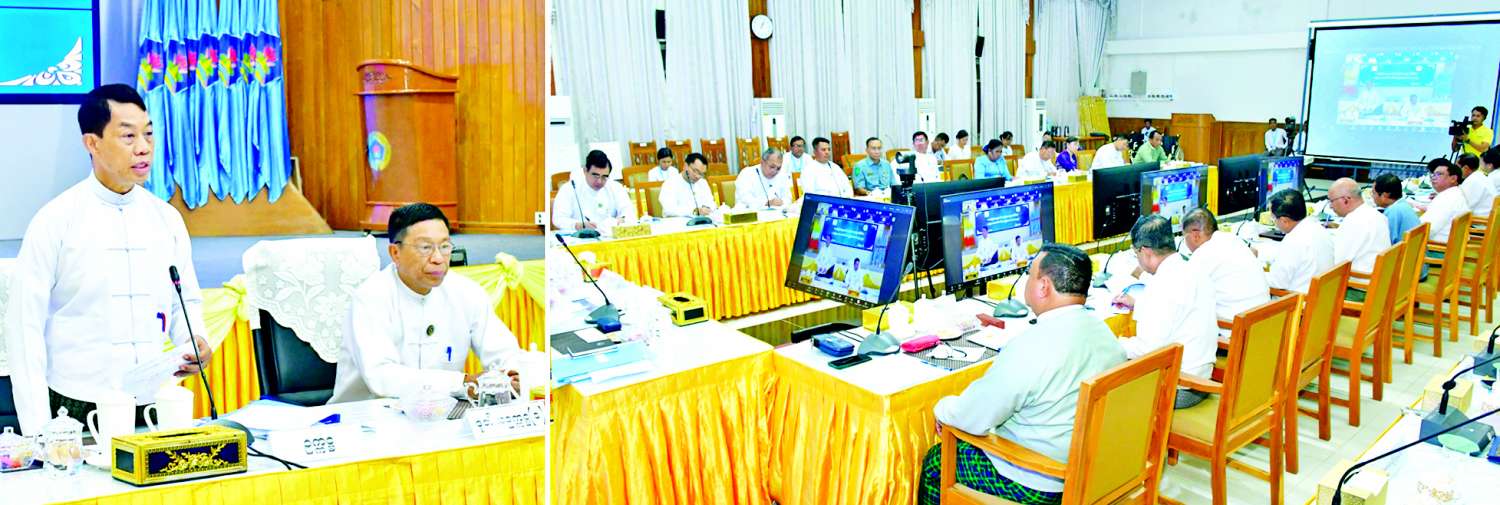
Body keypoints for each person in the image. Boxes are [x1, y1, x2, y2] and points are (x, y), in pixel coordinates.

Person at [6, 84, 213, 434]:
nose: (143, 147)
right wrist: (40, 432)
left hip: (152, 403)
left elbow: (185, 300)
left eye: (148, 133)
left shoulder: (166, 219)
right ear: (93, 143)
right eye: (128, 136)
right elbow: (24, 330)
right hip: (75, 404)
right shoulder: (55, 221)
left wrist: (194, 341)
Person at [920, 243, 1126, 505]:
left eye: (1029, 274)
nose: (1027, 280)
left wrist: (942, 409)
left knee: (936, 463)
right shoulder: (1104, 333)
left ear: (1043, 286)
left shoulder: (1032, 346)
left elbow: (973, 417)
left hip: (1042, 480)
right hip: (1094, 470)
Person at [331, 204, 524, 404]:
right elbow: (382, 377)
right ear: (395, 253)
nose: (438, 258)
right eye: (425, 248)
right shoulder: (371, 297)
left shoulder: (466, 292)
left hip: (442, 412)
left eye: (445, 246)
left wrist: (512, 374)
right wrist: (462, 383)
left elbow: (504, 351)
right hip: (368, 413)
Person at [1113, 215, 1216, 409]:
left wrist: (1113, 343)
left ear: (1145, 251)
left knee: (1105, 389)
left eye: (1136, 253)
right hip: (1202, 377)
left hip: (1180, 388)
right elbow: (1177, 311)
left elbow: (1147, 351)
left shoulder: (1161, 286)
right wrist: (1141, 303)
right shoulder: (1192, 269)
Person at [1181, 208, 1270, 322]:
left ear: (1195, 235)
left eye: (1184, 236)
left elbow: (1185, 298)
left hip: (1233, 327)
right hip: (1264, 321)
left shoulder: (1201, 255)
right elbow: (1254, 252)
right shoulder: (1233, 238)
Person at [1326, 178, 1389, 301]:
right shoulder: (1378, 215)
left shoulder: (1352, 222)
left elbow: (1337, 266)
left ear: (1346, 200)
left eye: (1331, 201)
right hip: (1379, 286)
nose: (1330, 206)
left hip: (1359, 291)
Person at [1265, 189, 1335, 293]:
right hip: (1322, 297)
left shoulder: (1293, 241)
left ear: (1284, 221)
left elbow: (1277, 282)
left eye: (1273, 218)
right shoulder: (1319, 228)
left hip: (1298, 300)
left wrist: (1254, 271)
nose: (1273, 221)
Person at [552, 150, 636, 230]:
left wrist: (620, 221)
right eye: (595, 176)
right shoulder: (569, 189)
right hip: (580, 236)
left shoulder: (615, 187)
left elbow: (629, 213)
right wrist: (578, 225)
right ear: (585, 171)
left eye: (604, 177)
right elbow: (558, 219)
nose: (599, 181)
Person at [1420, 158, 1469, 244]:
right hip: (1451, 244)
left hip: (1438, 247)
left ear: (1453, 178)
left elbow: (1426, 230)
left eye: (1439, 174)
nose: (1433, 178)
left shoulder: (1447, 198)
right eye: (1433, 174)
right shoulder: (1453, 193)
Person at [660, 152, 716, 217]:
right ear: (685, 166)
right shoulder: (670, 183)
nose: (697, 176)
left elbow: (711, 204)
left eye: (701, 174)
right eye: (695, 171)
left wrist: (707, 209)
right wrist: (694, 211)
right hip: (679, 222)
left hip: (702, 221)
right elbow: (668, 210)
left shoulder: (702, 182)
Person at [1373, 173, 1418, 244]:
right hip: (1413, 249)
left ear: (1385, 195)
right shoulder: (1405, 205)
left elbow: (1384, 243)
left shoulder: (1392, 212)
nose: (1372, 196)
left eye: (1373, 193)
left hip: (1402, 250)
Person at [1456, 153, 1494, 219]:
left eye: (1457, 167)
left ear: (1466, 168)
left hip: (1480, 222)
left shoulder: (1472, 181)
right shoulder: (1480, 176)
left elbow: (1461, 208)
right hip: (1487, 220)